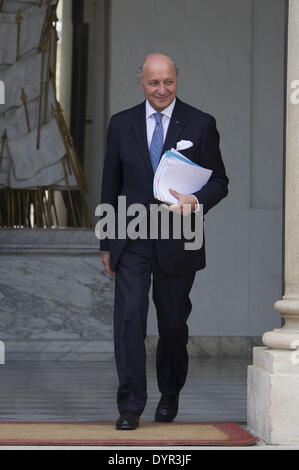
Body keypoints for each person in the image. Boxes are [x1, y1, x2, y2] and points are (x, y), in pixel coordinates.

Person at [99, 53, 229, 430]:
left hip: (178, 236)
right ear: (141, 82)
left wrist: (197, 201)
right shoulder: (120, 124)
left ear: (177, 80)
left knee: (172, 325)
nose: (161, 90)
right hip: (133, 236)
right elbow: (111, 184)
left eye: (168, 82)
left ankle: (170, 393)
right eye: (154, 83)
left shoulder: (201, 123)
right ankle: (130, 406)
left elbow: (219, 181)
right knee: (128, 320)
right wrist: (107, 241)